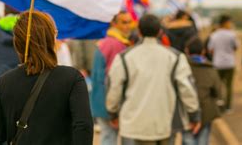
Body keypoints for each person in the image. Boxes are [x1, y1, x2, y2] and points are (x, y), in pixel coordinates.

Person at [0, 11, 93, 145]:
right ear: (51, 39)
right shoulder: (72, 79)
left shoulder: (4, 82)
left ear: (17, 42)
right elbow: (83, 127)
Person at [106, 14, 201, 145]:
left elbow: (114, 88)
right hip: (165, 123)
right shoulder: (175, 57)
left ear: (138, 31)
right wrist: (194, 115)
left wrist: (113, 113)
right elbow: (187, 89)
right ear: (160, 32)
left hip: (134, 125)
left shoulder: (124, 57)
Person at [90, 11, 133, 145]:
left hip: (101, 100)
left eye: (129, 22)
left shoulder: (106, 42)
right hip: (109, 102)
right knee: (111, 137)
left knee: (107, 136)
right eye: (124, 22)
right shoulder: (116, 44)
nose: (127, 26)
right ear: (114, 24)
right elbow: (112, 79)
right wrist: (111, 109)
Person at [183, 38, 223, 145]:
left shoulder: (182, 67)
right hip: (205, 112)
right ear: (203, 51)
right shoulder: (210, 69)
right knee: (203, 141)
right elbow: (218, 92)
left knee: (188, 140)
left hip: (185, 111)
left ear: (186, 51)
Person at [207, 15, 238, 112]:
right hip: (229, 63)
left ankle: (219, 104)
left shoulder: (214, 35)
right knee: (228, 86)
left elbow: (210, 49)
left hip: (218, 63)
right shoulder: (232, 35)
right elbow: (236, 47)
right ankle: (228, 106)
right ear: (226, 23)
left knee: (218, 85)